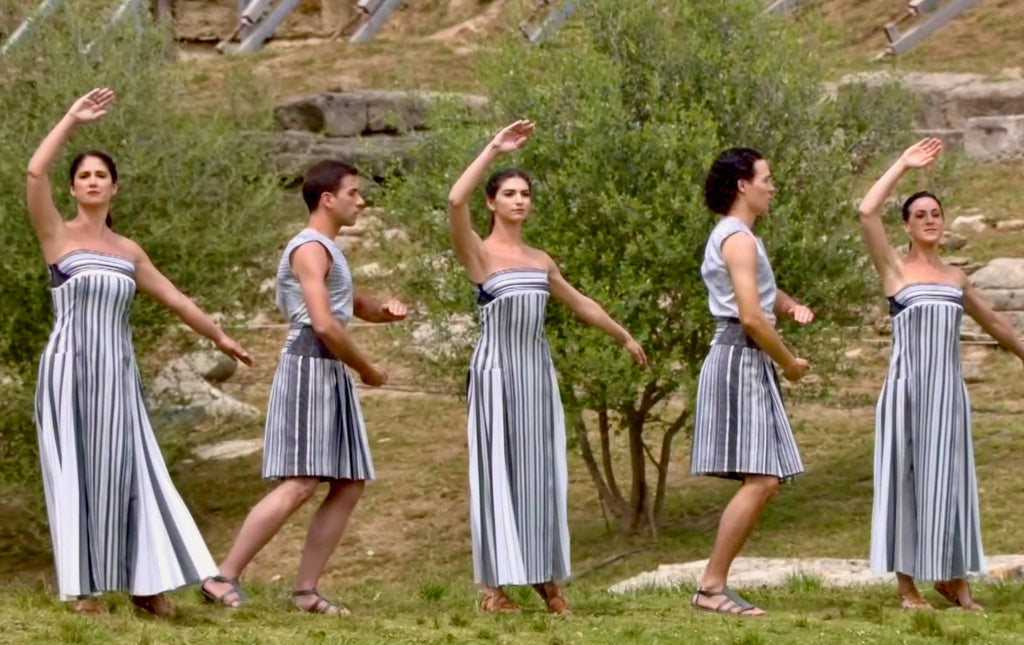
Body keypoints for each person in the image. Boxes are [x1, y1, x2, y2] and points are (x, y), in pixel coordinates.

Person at [27, 88, 253, 617]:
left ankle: (145, 585)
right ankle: (87, 593)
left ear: (114, 188)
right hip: (70, 371)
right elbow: (34, 176)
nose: (91, 181)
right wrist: (70, 120)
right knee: (77, 473)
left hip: (119, 374)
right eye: (82, 175)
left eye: (100, 175)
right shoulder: (57, 236)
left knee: (134, 472)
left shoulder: (127, 250)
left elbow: (174, 296)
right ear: (74, 188)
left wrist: (218, 336)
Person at [448, 120, 647, 615]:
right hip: (496, 377)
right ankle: (493, 590)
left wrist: (622, 334)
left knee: (541, 476)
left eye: (525, 194)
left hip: (537, 378)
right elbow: (454, 202)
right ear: (492, 202)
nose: (519, 200)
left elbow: (580, 303)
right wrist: (493, 148)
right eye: (509, 193)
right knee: (498, 474)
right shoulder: (479, 253)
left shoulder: (539, 260)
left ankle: (546, 581)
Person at [201, 159, 406, 614]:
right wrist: (368, 370)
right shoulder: (309, 249)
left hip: (328, 371)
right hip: (309, 365)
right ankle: (222, 577)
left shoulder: (328, 250)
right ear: (327, 199)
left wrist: (385, 312)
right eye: (354, 192)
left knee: (349, 482)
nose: (362, 200)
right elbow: (323, 324)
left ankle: (306, 592)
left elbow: (352, 305)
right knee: (300, 482)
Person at [857, 138, 1024, 611]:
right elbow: (867, 213)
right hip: (907, 393)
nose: (931, 219)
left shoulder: (955, 278)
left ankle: (955, 582)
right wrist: (902, 164)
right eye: (920, 214)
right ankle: (907, 587)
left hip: (949, 396)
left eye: (936, 213)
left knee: (952, 481)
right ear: (907, 227)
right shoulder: (894, 269)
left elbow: (995, 323)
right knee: (906, 480)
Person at [689, 147, 812, 617]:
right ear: (743, 184)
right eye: (767, 177)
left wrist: (790, 304)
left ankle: (713, 584)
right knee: (762, 478)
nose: (772, 185)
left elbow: (760, 293)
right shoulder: (738, 239)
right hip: (742, 356)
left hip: (744, 358)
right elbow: (750, 318)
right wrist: (790, 363)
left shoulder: (739, 237)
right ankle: (711, 587)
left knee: (766, 478)